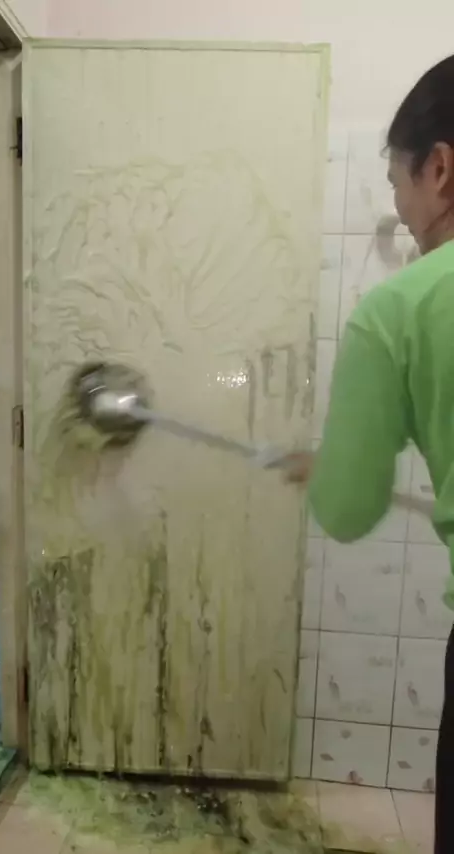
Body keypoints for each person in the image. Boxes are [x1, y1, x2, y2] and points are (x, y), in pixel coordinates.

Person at [287, 55, 454, 854]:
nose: (398, 204)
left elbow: (349, 507)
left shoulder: (401, 307)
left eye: (397, 181)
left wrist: (324, 473)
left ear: (440, 169)